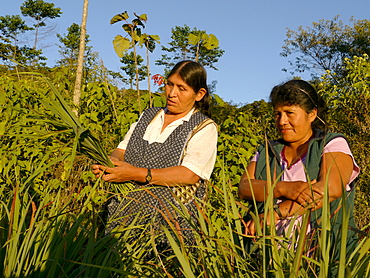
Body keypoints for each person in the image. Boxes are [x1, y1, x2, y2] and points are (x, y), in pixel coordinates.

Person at [91, 60, 218, 254]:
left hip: (169, 223)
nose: (172, 93)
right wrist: (109, 162)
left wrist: (135, 174)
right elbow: (122, 149)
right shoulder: (148, 116)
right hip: (124, 214)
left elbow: (189, 174)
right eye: (169, 84)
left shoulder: (203, 127)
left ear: (199, 94)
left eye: (182, 88)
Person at [238, 79, 359, 259]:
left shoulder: (331, 144)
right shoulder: (267, 150)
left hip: (320, 254)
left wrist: (277, 213)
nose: (282, 121)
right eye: (277, 114)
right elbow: (244, 188)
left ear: (312, 114)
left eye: (290, 113)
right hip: (265, 256)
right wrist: (285, 188)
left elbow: (329, 189)